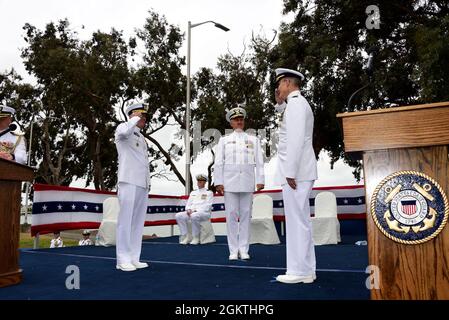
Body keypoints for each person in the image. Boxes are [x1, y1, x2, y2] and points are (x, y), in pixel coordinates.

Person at [273, 68, 318, 284]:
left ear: (289, 83)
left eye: (281, 83)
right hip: (298, 171)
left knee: (296, 221)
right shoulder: (294, 104)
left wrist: (290, 171)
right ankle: (306, 270)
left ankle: (300, 271)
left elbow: (296, 139)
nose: (278, 87)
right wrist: (280, 104)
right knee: (299, 220)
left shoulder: (297, 104)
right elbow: (288, 130)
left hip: (296, 172)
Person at [213, 106, 265, 260]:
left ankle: (244, 249)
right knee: (231, 216)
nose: (239, 122)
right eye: (236, 120)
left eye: (241, 119)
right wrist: (218, 182)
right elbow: (218, 163)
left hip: (247, 182)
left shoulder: (254, 139)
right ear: (231, 123)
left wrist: (260, 180)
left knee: (246, 216)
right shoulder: (224, 140)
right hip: (230, 183)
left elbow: (259, 162)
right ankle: (233, 250)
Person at [115, 102, 151, 271]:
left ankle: (134, 257)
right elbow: (123, 132)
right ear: (134, 115)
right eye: (141, 115)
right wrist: (134, 119)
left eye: (144, 116)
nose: (144, 119)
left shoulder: (142, 138)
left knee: (137, 223)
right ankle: (122, 259)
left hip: (142, 183)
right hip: (128, 180)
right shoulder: (123, 129)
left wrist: (147, 183)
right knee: (125, 221)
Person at [175, 174, 214, 245]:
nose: (199, 182)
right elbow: (188, 204)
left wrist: (194, 211)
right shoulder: (193, 192)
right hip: (191, 212)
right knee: (178, 215)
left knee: (194, 216)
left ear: (205, 182)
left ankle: (196, 237)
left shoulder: (209, 193)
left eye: (201, 181)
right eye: (198, 181)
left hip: (204, 213)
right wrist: (188, 210)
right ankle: (186, 235)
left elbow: (207, 206)